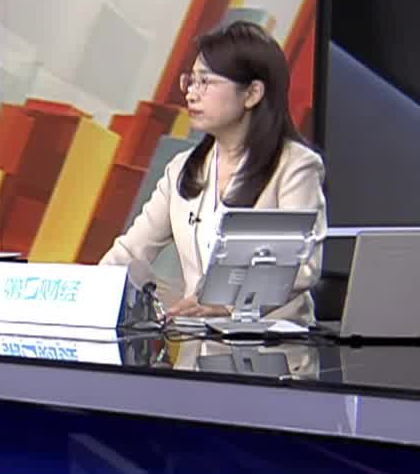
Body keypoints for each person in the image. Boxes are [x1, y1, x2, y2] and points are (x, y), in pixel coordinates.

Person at [100, 20, 326, 321]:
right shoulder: (181, 169)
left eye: (205, 82)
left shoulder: (295, 166)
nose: (191, 94)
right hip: (197, 342)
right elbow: (131, 252)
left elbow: (303, 264)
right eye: (190, 81)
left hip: (275, 342)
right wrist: (87, 295)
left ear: (252, 93)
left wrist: (228, 304)